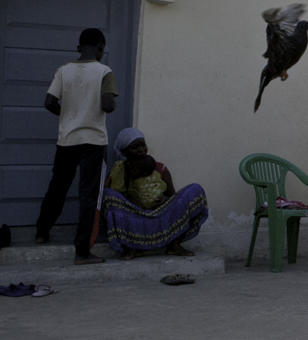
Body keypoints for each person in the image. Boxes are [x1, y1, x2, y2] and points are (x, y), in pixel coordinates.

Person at [35, 28, 117, 265]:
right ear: (101, 49)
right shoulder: (104, 71)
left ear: (78, 48)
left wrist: (68, 114)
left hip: (67, 139)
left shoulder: (63, 71)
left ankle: (42, 231)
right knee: (89, 194)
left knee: (58, 186)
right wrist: (104, 101)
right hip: (93, 141)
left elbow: (49, 102)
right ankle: (82, 252)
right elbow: (109, 105)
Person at [102, 128, 209, 259]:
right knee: (107, 195)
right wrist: (129, 200)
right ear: (124, 151)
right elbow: (111, 196)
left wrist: (166, 200)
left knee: (195, 189)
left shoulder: (159, 168)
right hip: (135, 220)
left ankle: (174, 245)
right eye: (135, 147)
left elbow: (174, 198)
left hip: (161, 218)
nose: (141, 150)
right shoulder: (118, 171)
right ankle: (131, 247)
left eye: (143, 145)